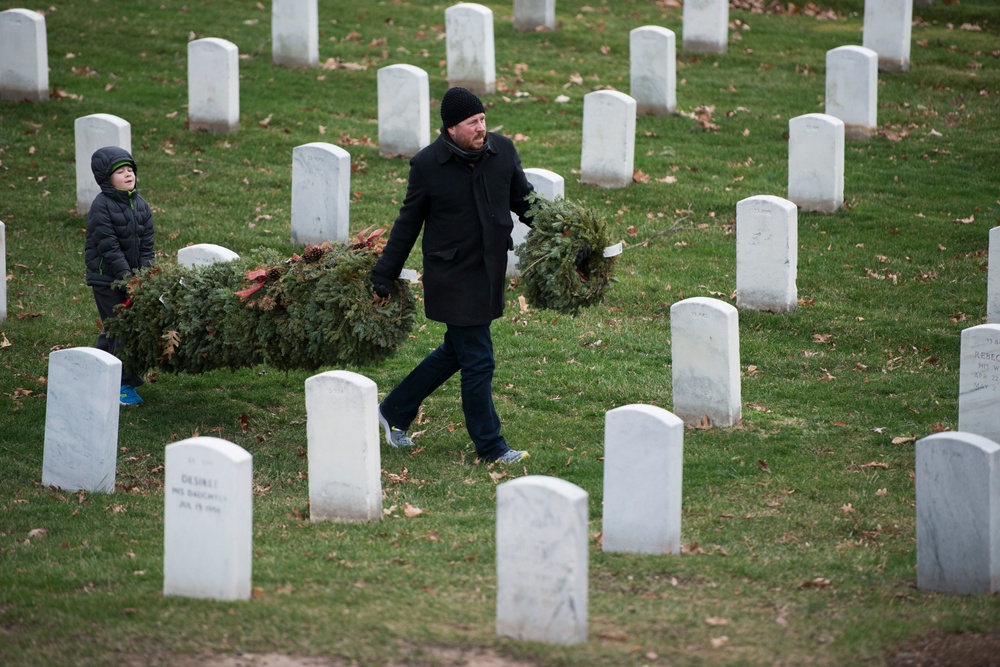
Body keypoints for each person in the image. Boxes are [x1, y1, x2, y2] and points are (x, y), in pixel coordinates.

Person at [371, 87, 534, 464]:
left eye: (482, 119)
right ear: (451, 129)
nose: (481, 128)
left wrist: (566, 236)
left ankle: (394, 411)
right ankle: (491, 447)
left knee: (455, 352)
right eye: (472, 123)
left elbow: (526, 203)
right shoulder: (428, 165)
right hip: (452, 276)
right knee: (479, 359)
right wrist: (385, 274)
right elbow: (407, 224)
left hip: (489, 272)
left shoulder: (502, 151)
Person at [84, 146, 155, 406]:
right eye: (120, 171)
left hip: (132, 279)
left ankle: (96, 369)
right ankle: (122, 385)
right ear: (106, 178)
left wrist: (145, 278)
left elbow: (147, 247)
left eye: (130, 169)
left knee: (116, 328)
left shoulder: (141, 205)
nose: (128, 174)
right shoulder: (101, 207)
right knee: (122, 327)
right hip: (106, 278)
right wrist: (128, 279)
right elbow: (109, 248)